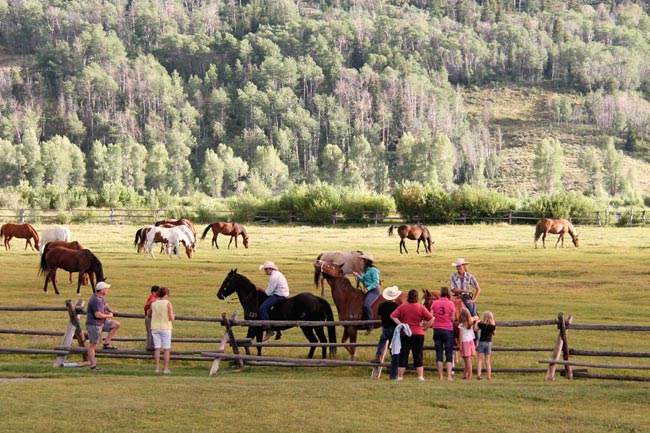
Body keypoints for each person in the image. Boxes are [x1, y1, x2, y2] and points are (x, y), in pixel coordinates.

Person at [390, 289, 434, 381]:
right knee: (418, 355)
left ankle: (400, 377)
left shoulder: (402, 307)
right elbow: (431, 318)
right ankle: (420, 376)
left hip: (405, 333)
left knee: (403, 355)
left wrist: (401, 324)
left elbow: (393, 316)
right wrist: (425, 328)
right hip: (418, 333)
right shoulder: (421, 307)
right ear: (417, 298)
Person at [85, 281, 120, 371]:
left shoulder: (100, 297)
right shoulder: (96, 300)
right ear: (102, 290)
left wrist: (111, 311)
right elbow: (98, 315)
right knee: (93, 345)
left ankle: (107, 343)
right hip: (94, 324)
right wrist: (109, 315)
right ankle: (93, 365)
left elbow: (105, 305)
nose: (107, 290)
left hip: (101, 323)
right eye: (106, 288)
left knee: (116, 324)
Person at [371, 286, 403, 380]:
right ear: (395, 297)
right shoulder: (397, 307)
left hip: (385, 328)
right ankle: (393, 372)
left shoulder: (382, 305)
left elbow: (379, 313)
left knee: (382, 340)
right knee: (394, 349)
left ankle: (378, 355)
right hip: (394, 329)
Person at [256, 260, 290, 342]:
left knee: (262, 309)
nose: (265, 271)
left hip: (279, 295)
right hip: (282, 293)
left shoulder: (274, 277)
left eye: (265, 269)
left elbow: (268, 292)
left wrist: (260, 289)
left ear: (270, 269)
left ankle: (268, 329)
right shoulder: (277, 274)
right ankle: (278, 329)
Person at [431, 286, 457, 381]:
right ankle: (449, 376)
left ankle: (440, 376)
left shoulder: (435, 303)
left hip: (437, 328)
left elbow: (431, 314)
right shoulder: (450, 304)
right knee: (449, 353)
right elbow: (453, 317)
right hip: (447, 329)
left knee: (439, 353)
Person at [352, 253, 381, 335]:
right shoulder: (366, 270)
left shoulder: (373, 270)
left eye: (363, 260)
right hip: (367, 290)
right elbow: (364, 280)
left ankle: (370, 325)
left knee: (366, 305)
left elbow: (376, 282)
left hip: (374, 291)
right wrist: (357, 276)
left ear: (366, 261)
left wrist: (368, 289)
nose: (361, 262)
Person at [149, 286, 175, 374]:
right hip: (165, 327)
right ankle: (166, 368)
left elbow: (149, 313)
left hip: (155, 327)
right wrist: (173, 316)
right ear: (166, 294)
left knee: (157, 348)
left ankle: (157, 368)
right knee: (166, 349)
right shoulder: (168, 303)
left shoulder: (154, 302)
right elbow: (171, 317)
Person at [458, 308, 478, 380]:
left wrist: (460, 345)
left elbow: (460, 336)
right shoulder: (470, 321)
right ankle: (465, 374)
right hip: (471, 341)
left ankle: (470, 375)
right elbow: (477, 317)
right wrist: (471, 316)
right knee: (467, 359)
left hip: (465, 342)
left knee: (467, 359)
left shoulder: (461, 325)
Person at [476, 310, 496, 380]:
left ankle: (479, 375)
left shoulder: (481, 324)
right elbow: (494, 333)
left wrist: (477, 322)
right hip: (489, 343)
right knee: (487, 361)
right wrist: (493, 323)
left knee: (479, 360)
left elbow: (476, 329)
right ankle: (488, 376)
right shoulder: (492, 326)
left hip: (481, 342)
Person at [144, 285, 160, 352]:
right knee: (151, 332)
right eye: (158, 292)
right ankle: (150, 347)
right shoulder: (153, 298)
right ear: (154, 292)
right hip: (150, 317)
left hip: (150, 317)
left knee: (150, 332)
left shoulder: (152, 298)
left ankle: (150, 346)